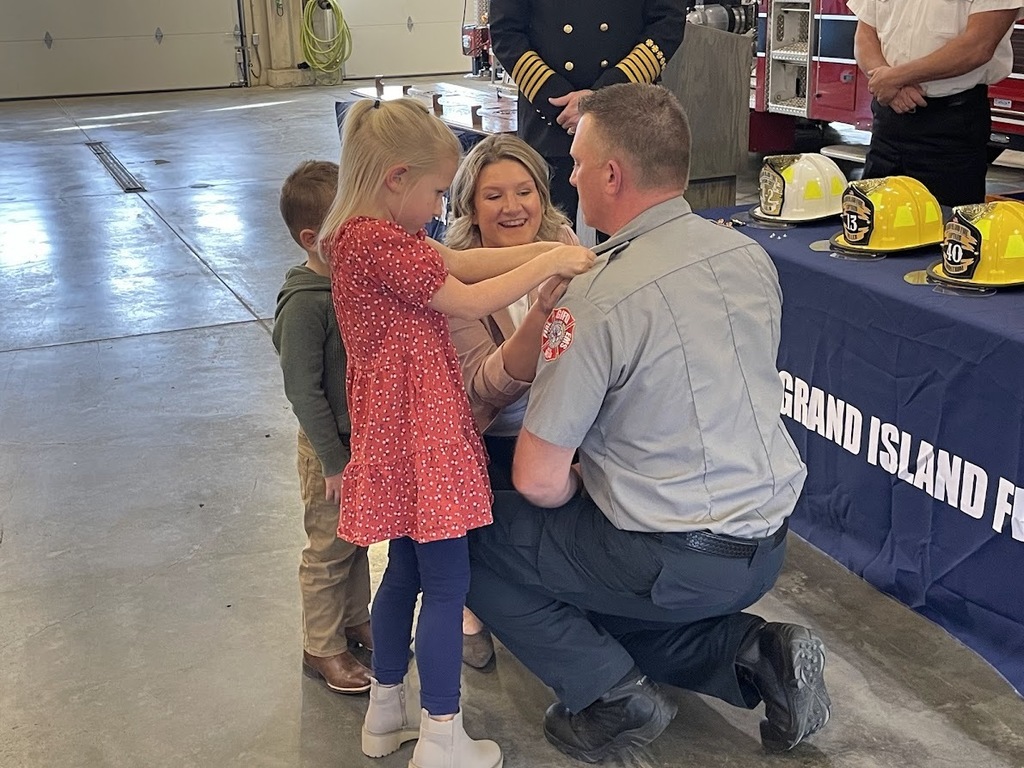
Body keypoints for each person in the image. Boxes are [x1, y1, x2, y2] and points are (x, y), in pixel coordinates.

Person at [465, 83, 832, 764]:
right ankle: (758, 655)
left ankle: (609, 696)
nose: (568, 177)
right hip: (769, 541)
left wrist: (580, 472)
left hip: (673, 556)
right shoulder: (746, 254)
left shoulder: (597, 294)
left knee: (466, 540)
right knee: (593, 582)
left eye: (576, 162)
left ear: (612, 173)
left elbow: (539, 480)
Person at [319, 97, 594, 768]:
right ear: (396, 178)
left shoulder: (368, 237)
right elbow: (469, 295)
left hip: (398, 431)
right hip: (424, 435)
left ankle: (387, 712)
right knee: (447, 582)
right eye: (439, 191)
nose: (441, 205)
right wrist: (555, 265)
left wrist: (549, 248)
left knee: (406, 570)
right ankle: (443, 733)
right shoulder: (378, 243)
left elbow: (459, 264)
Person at [444, 134, 579, 669]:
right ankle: (466, 602)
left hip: (565, 423)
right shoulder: (452, 273)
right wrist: (540, 319)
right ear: (469, 208)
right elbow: (484, 387)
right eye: (494, 195)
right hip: (495, 436)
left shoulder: (564, 241)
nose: (513, 207)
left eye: (525, 191)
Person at [271, 159, 373, 695]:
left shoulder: (350, 287)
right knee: (329, 549)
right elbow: (303, 393)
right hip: (328, 448)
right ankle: (322, 646)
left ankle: (355, 618)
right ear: (313, 239)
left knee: (355, 541)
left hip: (359, 441)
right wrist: (334, 460)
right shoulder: (307, 306)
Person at [488, 0, 687, 228]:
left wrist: (607, 95)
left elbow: (668, 24)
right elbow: (505, 32)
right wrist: (556, 98)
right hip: (551, 119)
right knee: (549, 239)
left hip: (629, 120)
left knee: (638, 238)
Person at [850, 0, 1023, 207]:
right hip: (887, 122)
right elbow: (865, 33)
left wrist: (894, 79)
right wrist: (885, 79)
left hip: (950, 126)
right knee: (874, 219)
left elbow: (978, 46)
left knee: (947, 228)